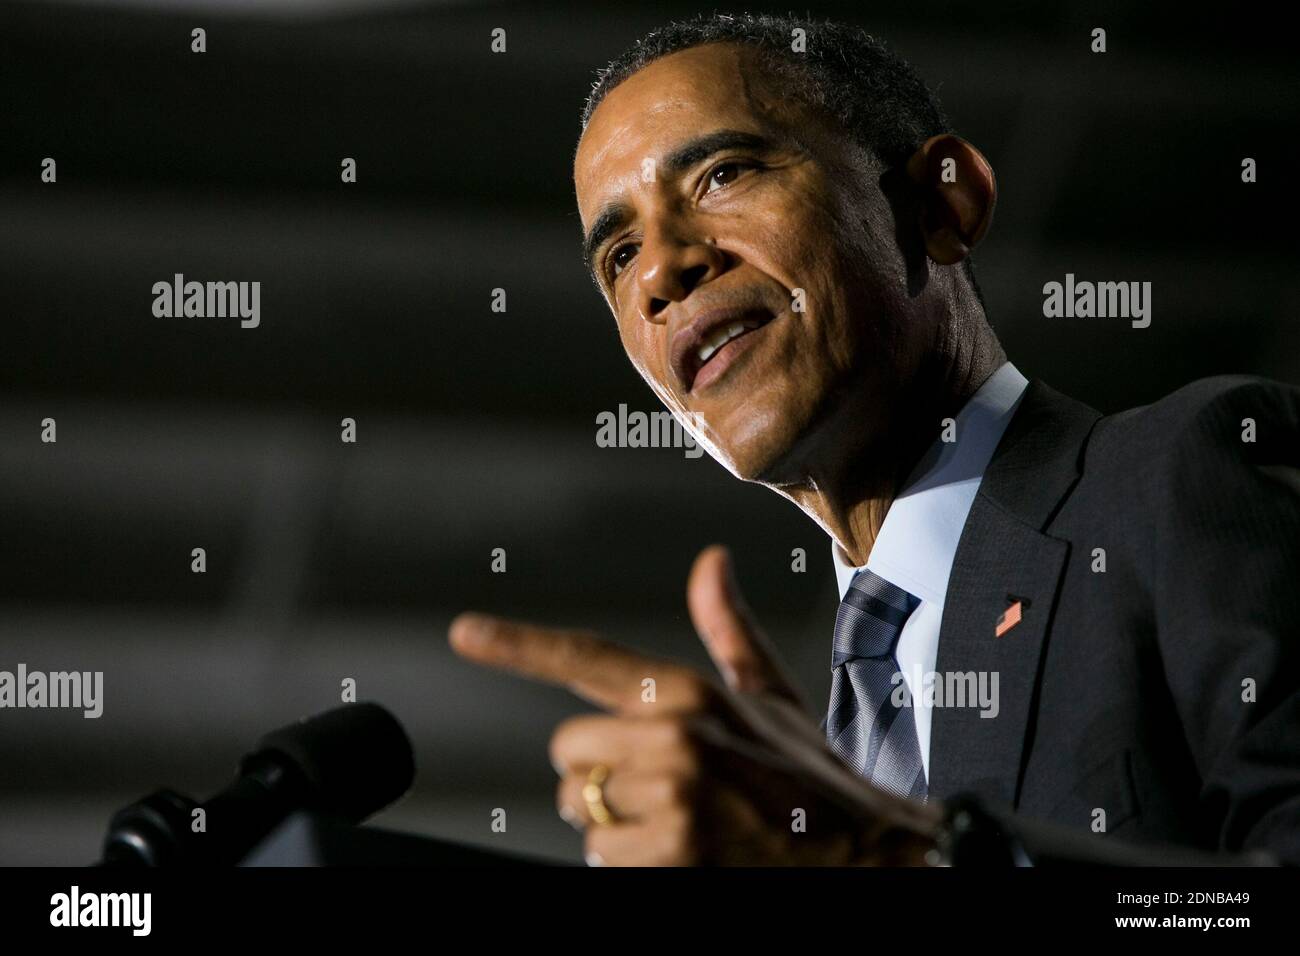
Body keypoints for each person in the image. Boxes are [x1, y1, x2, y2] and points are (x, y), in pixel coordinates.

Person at [449, 13, 1300, 866]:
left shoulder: (1179, 480)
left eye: (722, 174)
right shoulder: (818, 768)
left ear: (940, 204)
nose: (662, 273)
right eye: (620, 254)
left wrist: (887, 856)